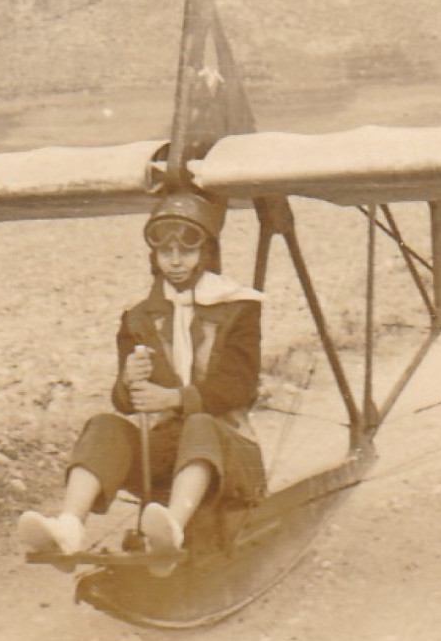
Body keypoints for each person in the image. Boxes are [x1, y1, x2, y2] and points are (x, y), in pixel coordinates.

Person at [17, 190, 266, 570]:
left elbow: (239, 386)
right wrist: (127, 383)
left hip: (229, 454)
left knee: (199, 422)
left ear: (207, 253)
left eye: (186, 251)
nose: (176, 262)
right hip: (163, 454)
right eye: (166, 253)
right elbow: (125, 402)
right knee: (104, 425)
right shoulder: (139, 317)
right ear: (155, 256)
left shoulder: (239, 308)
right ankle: (69, 525)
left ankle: (172, 529)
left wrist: (173, 399)